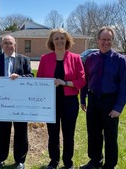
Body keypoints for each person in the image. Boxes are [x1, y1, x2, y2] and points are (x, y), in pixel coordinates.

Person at [79, 26, 126, 169]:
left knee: (110, 136)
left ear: (112, 41)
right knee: (93, 133)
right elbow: (85, 80)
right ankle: (95, 161)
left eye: (109, 39)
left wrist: (118, 108)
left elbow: (124, 87)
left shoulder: (120, 60)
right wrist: (83, 99)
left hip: (110, 102)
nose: (106, 42)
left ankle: (110, 164)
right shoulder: (90, 58)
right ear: (98, 40)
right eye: (103, 39)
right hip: (94, 100)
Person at [37, 28, 86, 169]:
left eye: (62, 38)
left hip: (69, 102)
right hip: (50, 102)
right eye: (56, 38)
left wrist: (65, 83)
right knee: (52, 134)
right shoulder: (45, 59)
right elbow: (39, 80)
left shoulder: (76, 58)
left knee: (68, 134)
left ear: (67, 40)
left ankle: (68, 162)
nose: (59, 41)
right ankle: (54, 161)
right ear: (52, 41)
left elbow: (82, 80)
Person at [0, 35, 33, 169]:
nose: (8, 45)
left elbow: (31, 76)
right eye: (5, 43)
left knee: (21, 131)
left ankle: (20, 160)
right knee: (2, 130)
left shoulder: (24, 59)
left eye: (10, 43)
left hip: (20, 102)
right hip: (2, 102)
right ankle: (0, 158)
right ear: (2, 45)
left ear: (15, 45)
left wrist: (20, 77)